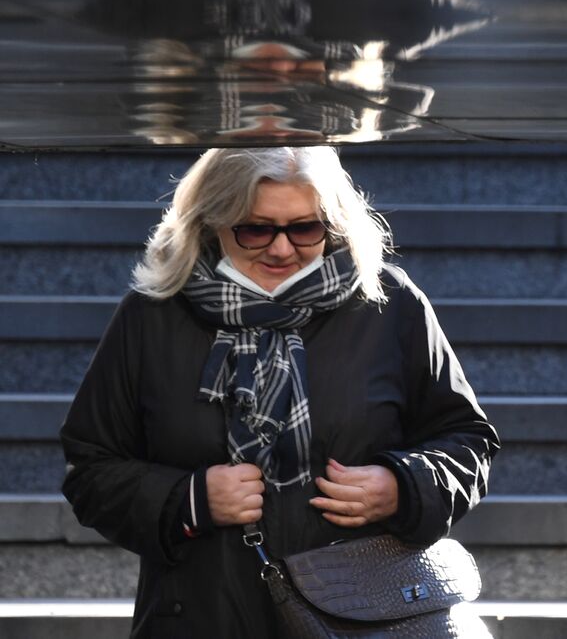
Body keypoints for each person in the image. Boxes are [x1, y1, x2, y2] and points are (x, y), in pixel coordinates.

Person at [61, 146, 500, 637]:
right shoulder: (152, 314)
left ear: (333, 224)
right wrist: (186, 499)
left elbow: (466, 440)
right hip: (201, 617)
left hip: (361, 619)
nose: (281, 249)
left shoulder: (390, 305)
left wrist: (402, 487)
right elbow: (90, 467)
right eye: (255, 229)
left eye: (305, 228)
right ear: (212, 223)